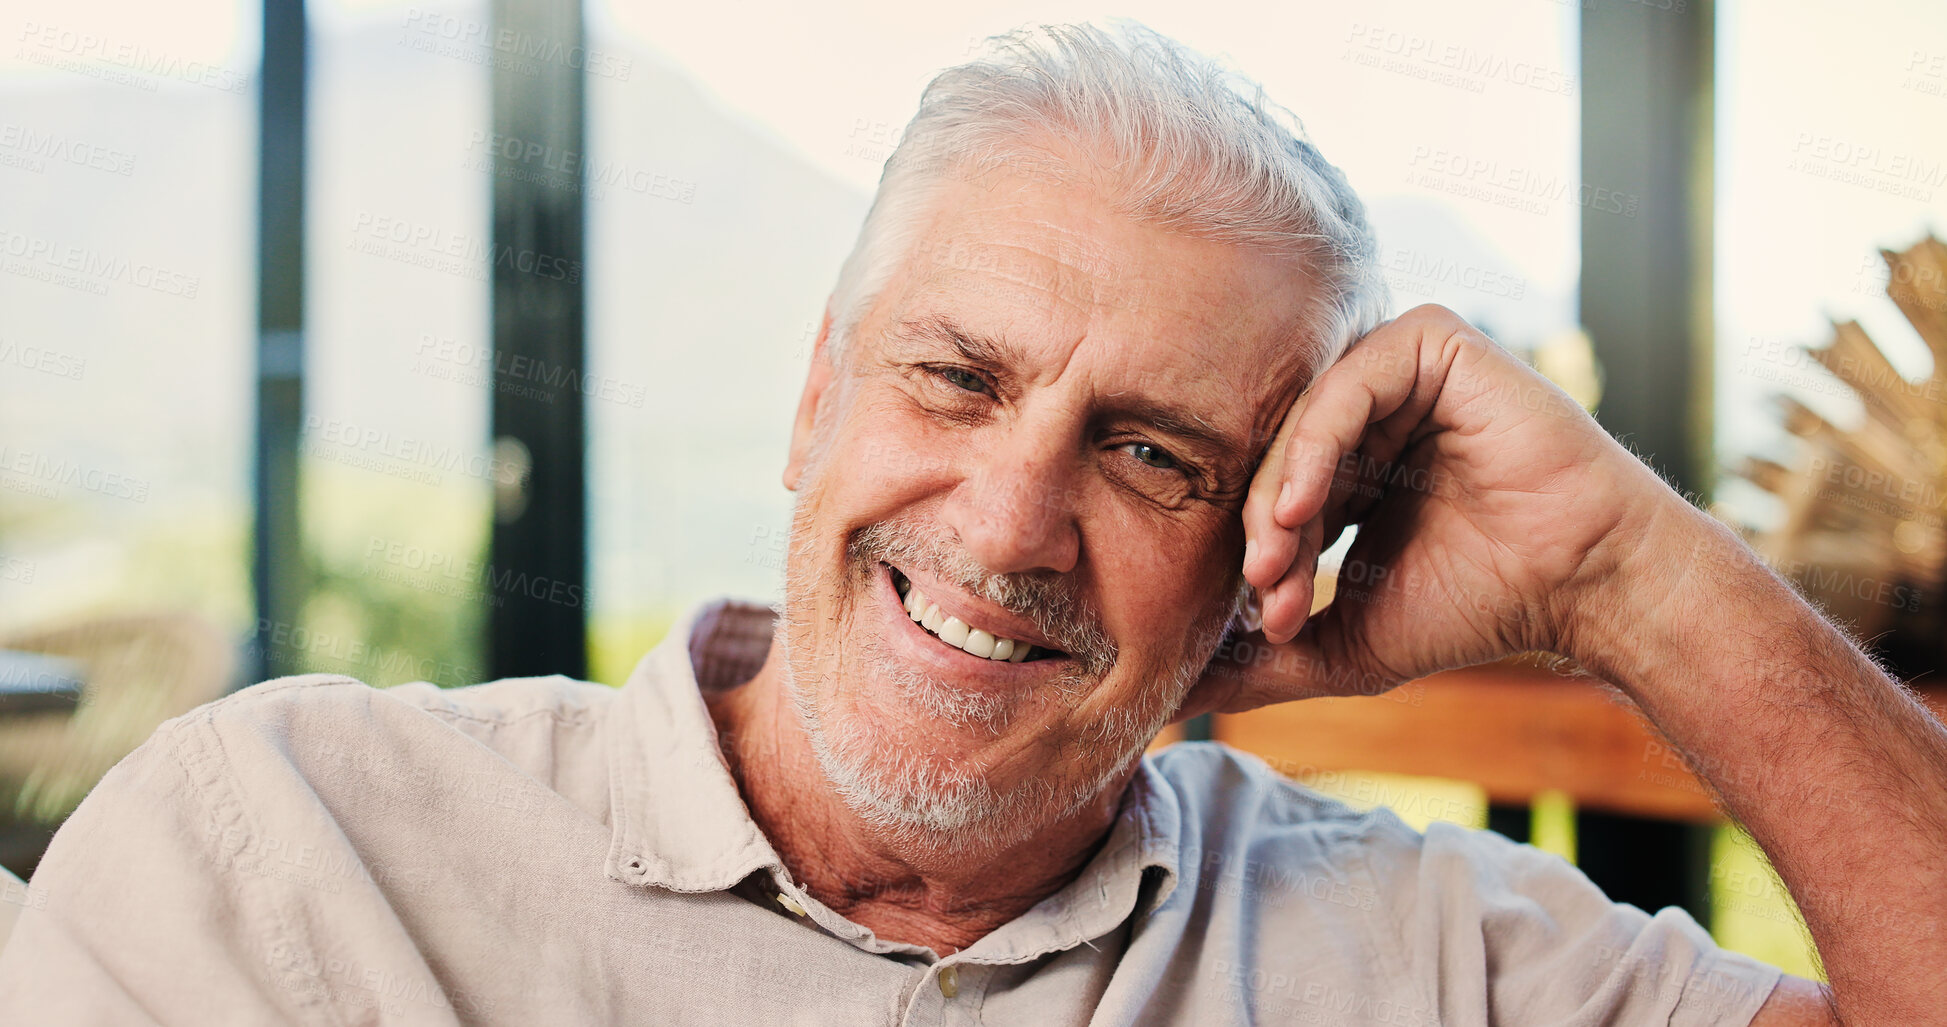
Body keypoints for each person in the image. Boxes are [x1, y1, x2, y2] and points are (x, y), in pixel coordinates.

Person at [2, 21, 1937, 1026]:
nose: (1013, 519)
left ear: (1274, 551)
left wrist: (1632, 576)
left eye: (1156, 456)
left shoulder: (1432, 956)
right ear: (811, 395)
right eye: (955, 377)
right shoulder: (289, 852)